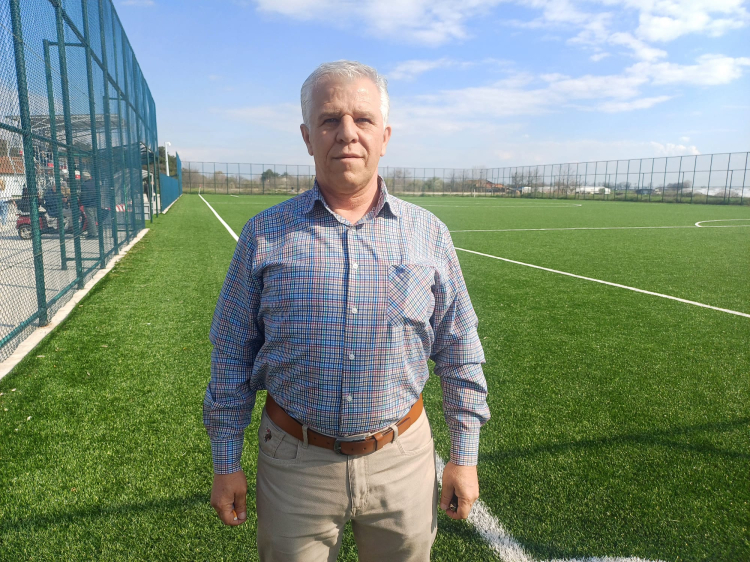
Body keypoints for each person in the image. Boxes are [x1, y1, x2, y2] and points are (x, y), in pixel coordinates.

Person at [205, 60, 490, 562]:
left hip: (403, 461)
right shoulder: (264, 234)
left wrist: (464, 456)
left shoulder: (428, 234)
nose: (347, 133)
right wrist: (226, 461)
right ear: (307, 137)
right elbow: (231, 353)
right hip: (294, 465)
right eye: (329, 120)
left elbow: (460, 347)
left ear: (385, 135)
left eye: (363, 119)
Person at [79, 172, 98, 238]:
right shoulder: (94, 184)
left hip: (88, 204)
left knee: (90, 219)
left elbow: (83, 195)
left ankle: (94, 234)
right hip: (95, 203)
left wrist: (82, 202)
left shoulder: (84, 185)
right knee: (93, 218)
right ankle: (91, 233)